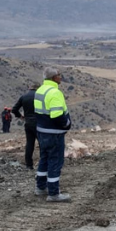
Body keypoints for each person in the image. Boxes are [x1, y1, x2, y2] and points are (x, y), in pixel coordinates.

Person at [34, 66, 72, 202]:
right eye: (59, 75)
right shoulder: (55, 93)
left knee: (44, 160)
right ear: (53, 78)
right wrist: (66, 124)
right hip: (54, 134)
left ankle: (40, 187)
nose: (61, 77)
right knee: (55, 162)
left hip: (42, 132)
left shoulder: (40, 90)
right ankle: (54, 193)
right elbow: (57, 115)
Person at [12, 82, 40, 169]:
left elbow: (14, 109)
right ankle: (43, 164)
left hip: (28, 123)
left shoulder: (23, 97)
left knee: (29, 144)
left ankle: (29, 165)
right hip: (39, 123)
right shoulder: (40, 96)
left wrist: (20, 116)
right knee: (42, 144)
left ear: (30, 88)